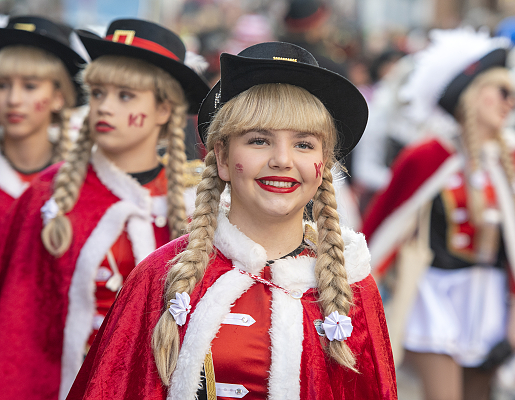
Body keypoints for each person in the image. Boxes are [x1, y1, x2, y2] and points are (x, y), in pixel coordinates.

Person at [66, 41, 397, 400]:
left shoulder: (353, 285)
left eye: (304, 144)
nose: (282, 160)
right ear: (221, 157)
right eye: (259, 140)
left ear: (323, 165)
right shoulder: (159, 276)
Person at [362, 29, 515, 400]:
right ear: (472, 96)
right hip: (433, 293)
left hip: (490, 296)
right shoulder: (426, 156)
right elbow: (383, 230)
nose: (512, 101)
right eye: (502, 91)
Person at [0, 18, 209, 400]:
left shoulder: (197, 203)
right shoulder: (48, 194)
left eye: (125, 95)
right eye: (97, 93)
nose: (104, 107)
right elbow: (18, 323)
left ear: (164, 109)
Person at [0, 16, 84, 225]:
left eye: (30, 86)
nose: (13, 99)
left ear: (58, 97)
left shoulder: (83, 179)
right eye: (2, 85)